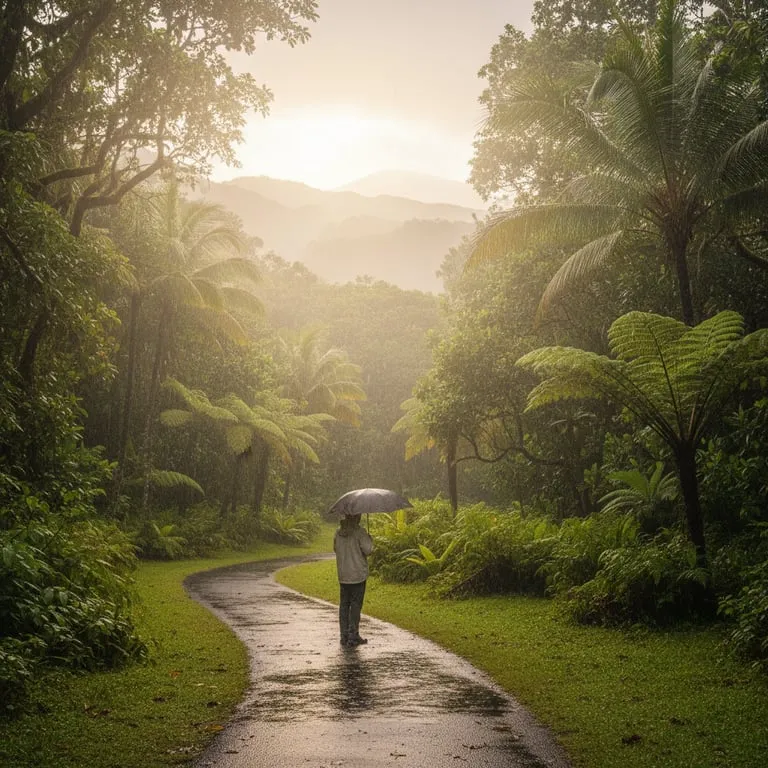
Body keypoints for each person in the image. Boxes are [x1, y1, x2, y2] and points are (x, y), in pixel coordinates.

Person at [333, 514, 374, 647]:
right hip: (357, 575)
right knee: (356, 605)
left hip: (343, 575)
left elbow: (335, 549)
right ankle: (353, 635)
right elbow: (368, 550)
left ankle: (344, 635)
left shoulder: (338, 533)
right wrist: (369, 539)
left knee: (344, 605)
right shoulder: (359, 532)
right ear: (356, 517)